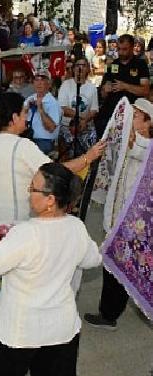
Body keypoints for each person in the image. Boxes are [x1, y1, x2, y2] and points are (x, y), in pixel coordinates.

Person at [0, 162, 102, 376]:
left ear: (50, 200)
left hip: (20, 330)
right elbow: (93, 259)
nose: (28, 192)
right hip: (60, 328)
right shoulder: (76, 227)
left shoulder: (26, 234)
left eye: (33, 188)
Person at [84, 98, 153, 330]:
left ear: (146, 122)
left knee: (122, 263)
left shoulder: (146, 146)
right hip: (122, 216)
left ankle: (110, 313)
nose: (130, 119)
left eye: (135, 115)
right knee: (118, 263)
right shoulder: (131, 141)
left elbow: (136, 150)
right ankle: (110, 311)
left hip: (135, 221)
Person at [0, 92, 105, 222]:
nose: (27, 117)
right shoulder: (21, 145)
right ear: (14, 117)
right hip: (15, 222)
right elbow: (55, 171)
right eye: (25, 112)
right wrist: (88, 157)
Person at [96, 34, 150, 137]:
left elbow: (145, 91)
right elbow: (102, 94)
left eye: (124, 49)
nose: (121, 52)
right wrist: (104, 90)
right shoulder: (112, 65)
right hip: (111, 114)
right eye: (119, 49)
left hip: (132, 115)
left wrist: (125, 86)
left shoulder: (140, 64)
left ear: (132, 47)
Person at [57, 57, 99, 159]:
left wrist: (84, 121)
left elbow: (94, 110)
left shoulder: (92, 88)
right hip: (68, 127)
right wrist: (80, 118)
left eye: (83, 65)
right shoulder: (66, 85)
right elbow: (63, 108)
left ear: (88, 69)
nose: (80, 68)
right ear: (73, 69)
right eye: (78, 65)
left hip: (86, 126)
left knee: (89, 155)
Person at [24, 69, 62, 155]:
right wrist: (26, 110)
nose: (39, 83)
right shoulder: (30, 99)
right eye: (36, 80)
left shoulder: (53, 102)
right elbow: (21, 120)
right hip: (28, 138)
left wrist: (41, 109)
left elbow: (51, 128)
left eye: (43, 80)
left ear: (49, 84)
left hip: (44, 141)